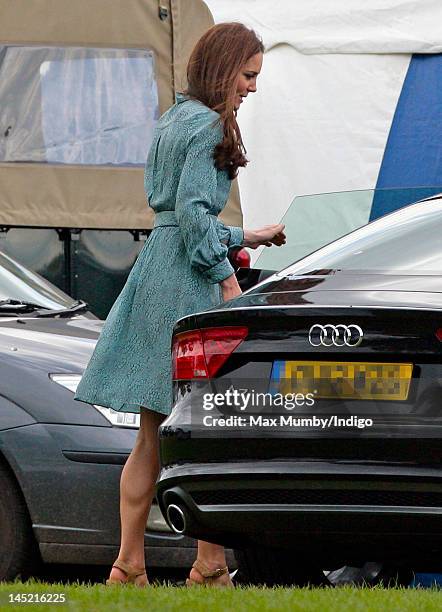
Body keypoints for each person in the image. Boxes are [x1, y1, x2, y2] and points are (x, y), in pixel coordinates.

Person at [74, 22, 286, 587]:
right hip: (188, 287)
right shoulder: (212, 126)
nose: (253, 88)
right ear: (224, 69)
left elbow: (176, 214)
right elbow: (196, 218)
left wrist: (246, 236)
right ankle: (210, 565)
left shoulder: (173, 118)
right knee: (208, 425)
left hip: (155, 275)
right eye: (248, 75)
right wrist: (227, 280)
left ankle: (128, 564)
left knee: (152, 433)